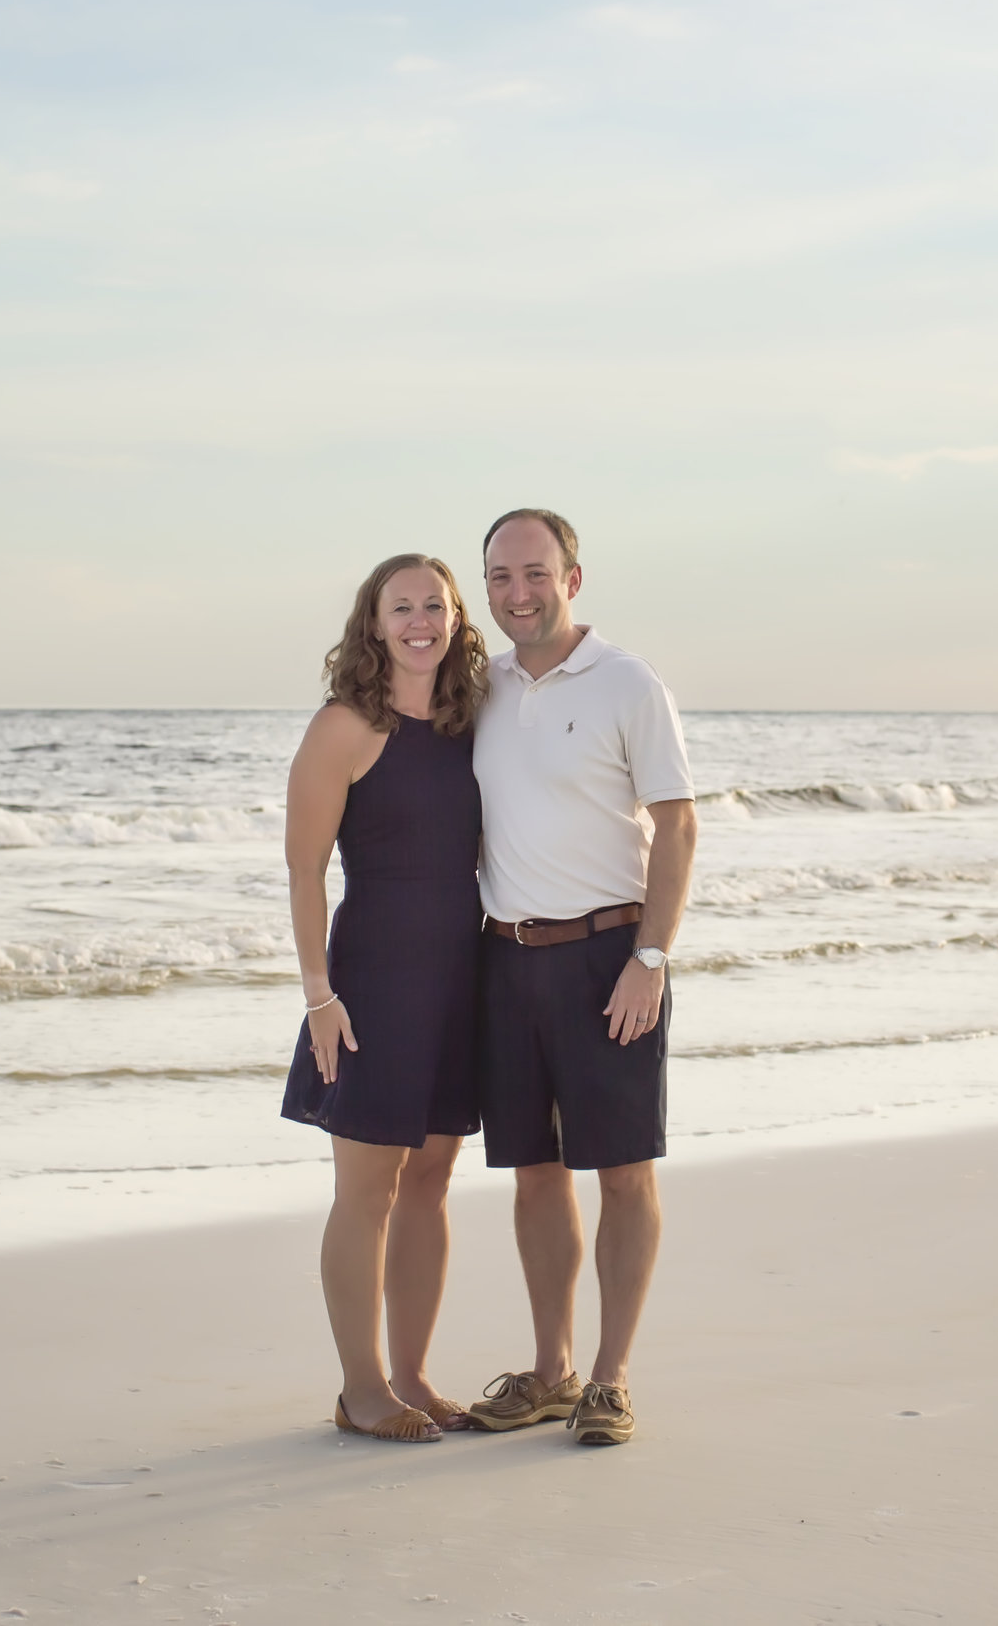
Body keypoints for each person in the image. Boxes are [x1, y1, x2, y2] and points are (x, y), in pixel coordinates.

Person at [462, 509, 698, 1447]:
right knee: (533, 1174)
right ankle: (552, 1372)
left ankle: (611, 1379)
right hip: (505, 958)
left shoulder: (628, 684)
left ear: (573, 577)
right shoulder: (475, 688)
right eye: (500, 577)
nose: (518, 592)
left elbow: (677, 825)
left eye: (535, 573)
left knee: (625, 1174)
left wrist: (650, 957)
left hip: (611, 959)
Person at [281, 553, 488, 1443]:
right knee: (366, 1188)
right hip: (372, 981)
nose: (418, 621)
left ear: (455, 619)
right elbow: (302, 868)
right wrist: (319, 995)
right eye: (399, 607)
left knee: (431, 1182)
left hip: (461, 975)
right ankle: (360, 1388)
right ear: (373, 623)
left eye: (433, 606)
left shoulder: (469, 722)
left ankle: (411, 1376)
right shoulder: (344, 726)